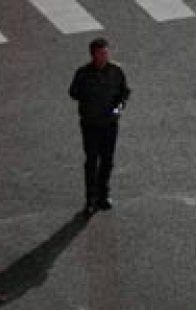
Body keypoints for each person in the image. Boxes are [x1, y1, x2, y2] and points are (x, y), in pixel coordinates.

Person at [68, 38, 129, 215]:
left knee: (107, 160)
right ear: (93, 55)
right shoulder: (83, 74)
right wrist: (89, 102)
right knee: (91, 161)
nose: (104, 56)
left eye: (106, 53)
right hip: (91, 124)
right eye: (101, 53)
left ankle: (104, 194)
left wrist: (118, 108)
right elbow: (73, 93)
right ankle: (90, 199)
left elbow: (124, 93)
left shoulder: (116, 70)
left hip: (110, 123)